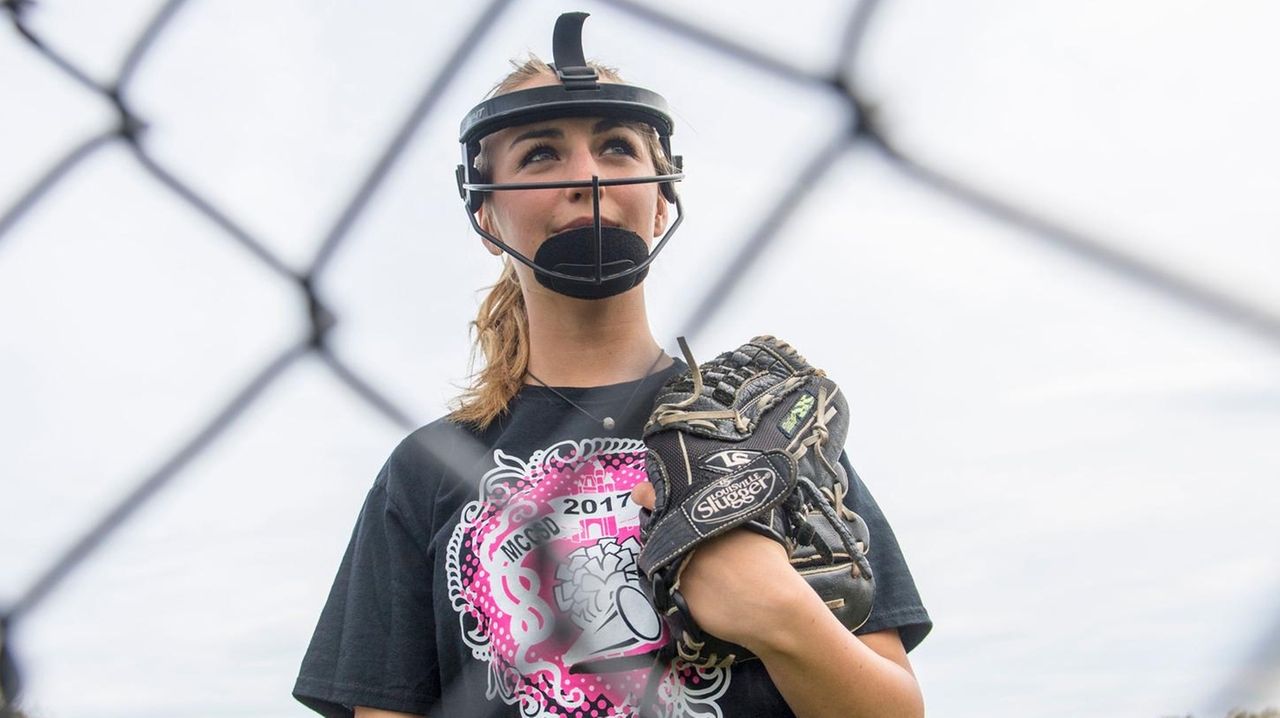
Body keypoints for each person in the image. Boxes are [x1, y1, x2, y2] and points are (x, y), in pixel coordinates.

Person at [293, 12, 930, 718]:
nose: (586, 175)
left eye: (617, 147)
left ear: (662, 198)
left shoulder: (770, 433)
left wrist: (780, 614)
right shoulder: (426, 471)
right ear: (486, 217)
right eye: (539, 154)